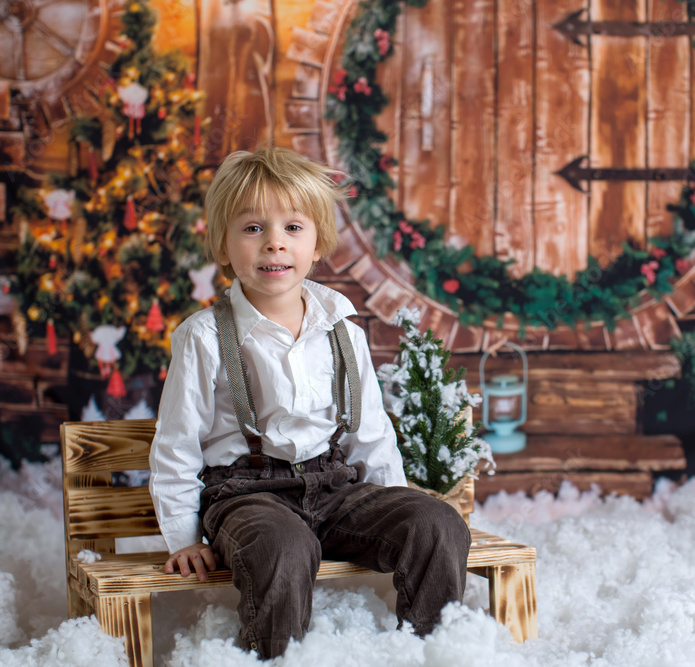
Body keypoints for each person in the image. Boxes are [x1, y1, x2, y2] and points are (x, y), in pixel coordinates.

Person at [148, 147, 471, 659]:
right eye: (253, 228)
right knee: (282, 545)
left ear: (317, 242)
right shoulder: (205, 336)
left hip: (335, 488)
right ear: (223, 246)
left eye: (293, 227)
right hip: (246, 495)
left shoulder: (342, 328)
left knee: (436, 521)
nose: (274, 241)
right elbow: (177, 442)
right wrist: (183, 537)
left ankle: (433, 650)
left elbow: (371, 432)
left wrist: (392, 507)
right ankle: (277, 654)